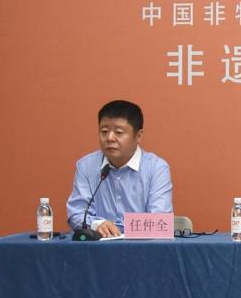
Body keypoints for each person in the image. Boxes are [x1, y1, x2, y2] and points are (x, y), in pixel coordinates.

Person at [67, 100, 173, 237]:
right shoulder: (86, 166)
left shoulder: (156, 168)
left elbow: (160, 221)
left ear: (138, 136)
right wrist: (96, 224)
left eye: (118, 132)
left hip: (142, 247)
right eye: (104, 131)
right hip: (98, 247)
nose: (109, 138)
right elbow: (76, 213)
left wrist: (119, 228)